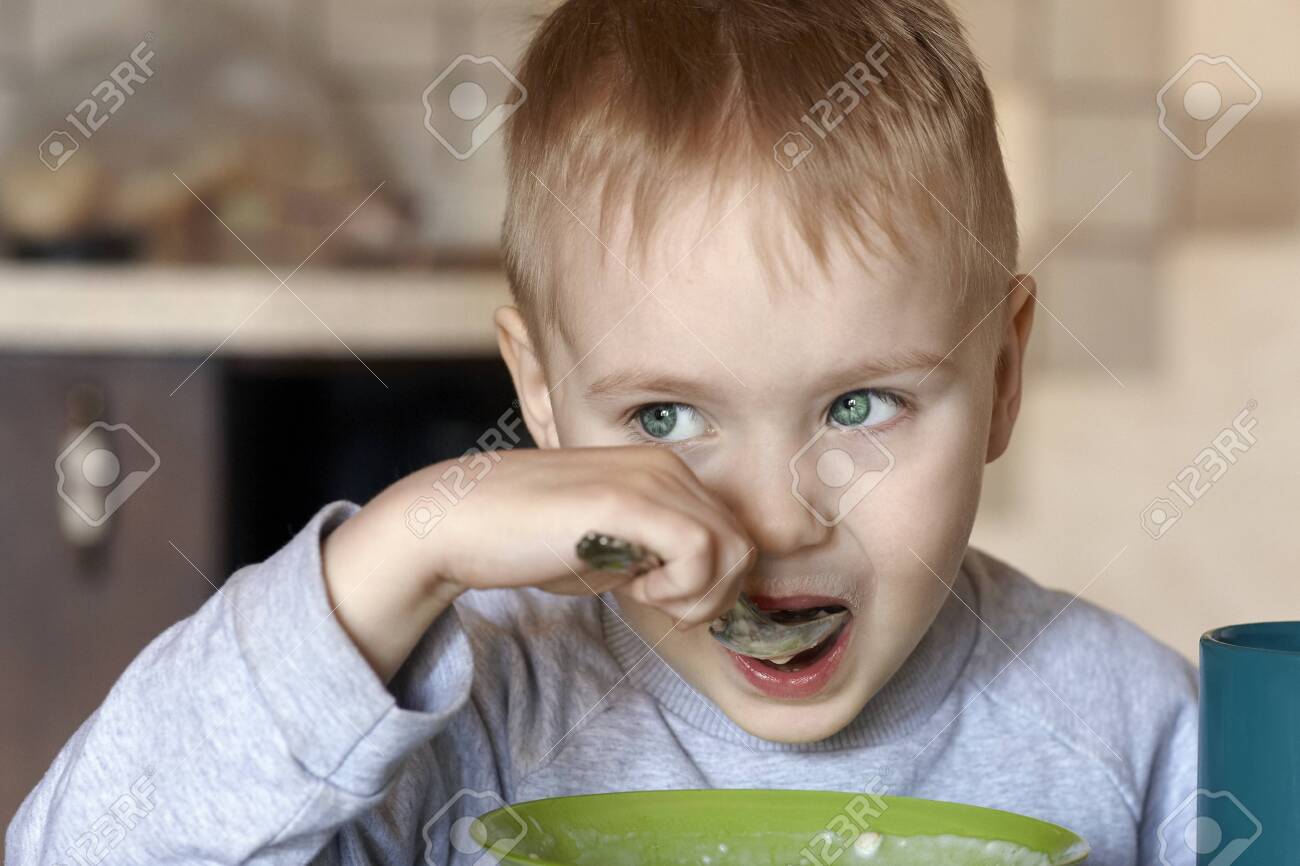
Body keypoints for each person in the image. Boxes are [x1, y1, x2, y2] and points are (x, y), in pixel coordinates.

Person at [6, 1, 1196, 864]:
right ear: (537, 391)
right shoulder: (468, 713)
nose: (778, 517)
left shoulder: (1134, 733)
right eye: (667, 417)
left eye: (858, 405)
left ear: (1001, 373)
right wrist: (404, 541)